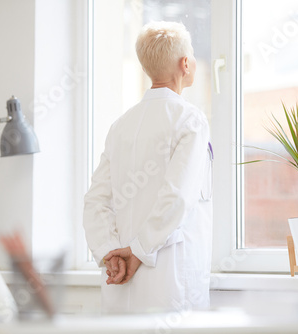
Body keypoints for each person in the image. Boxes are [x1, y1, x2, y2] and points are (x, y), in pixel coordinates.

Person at [82, 21, 213, 313]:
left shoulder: (120, 126)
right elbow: (177, 196)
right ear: (185, 64)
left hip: (120, 284)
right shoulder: (190, 120)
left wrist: (109, 253)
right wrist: (138, 252)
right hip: (169, 284)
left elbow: (95, 202)